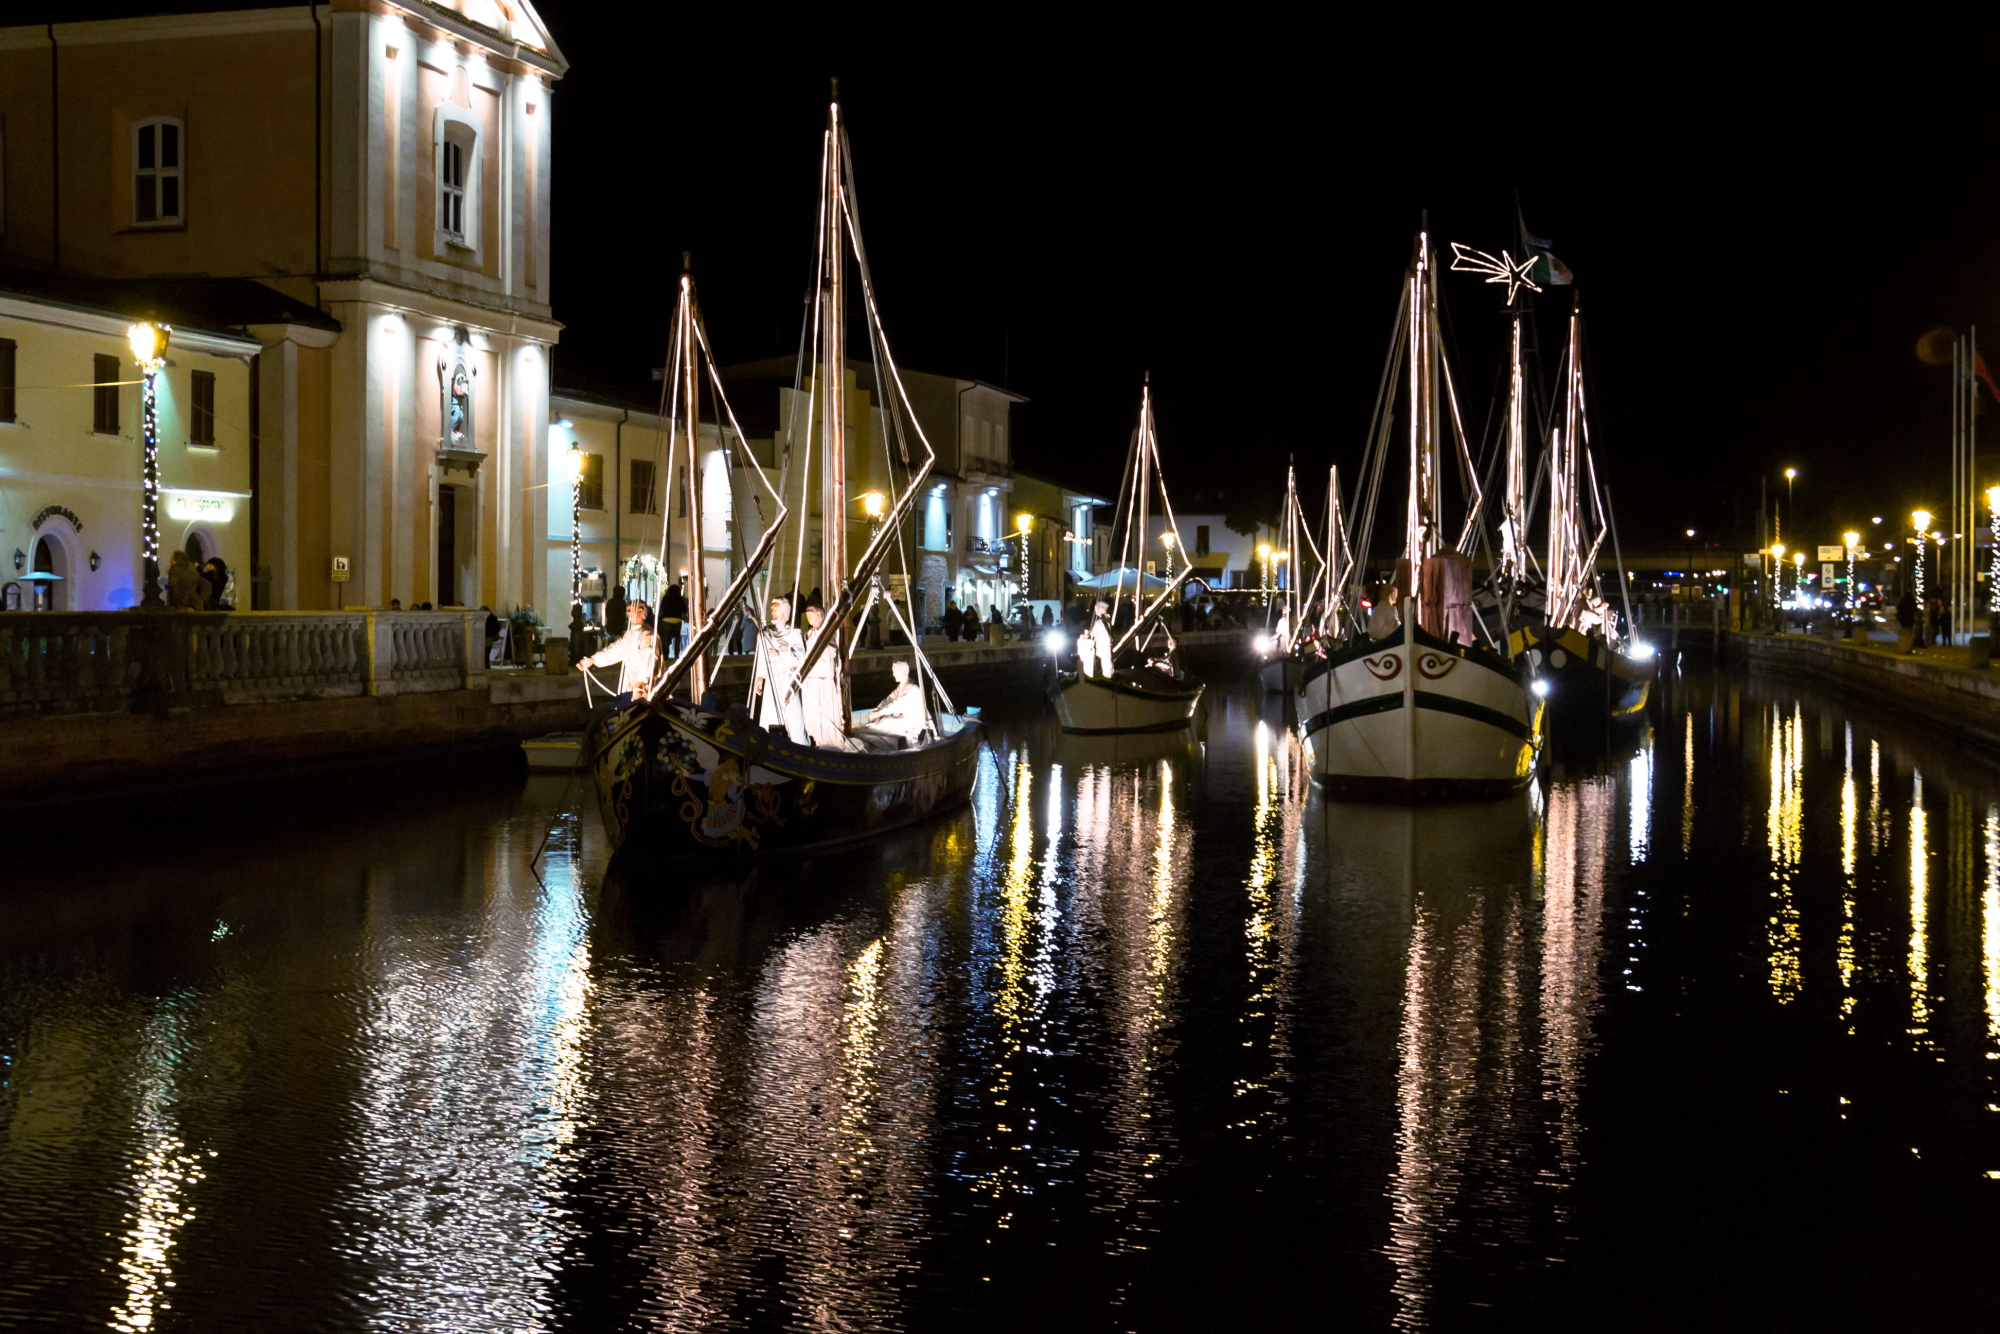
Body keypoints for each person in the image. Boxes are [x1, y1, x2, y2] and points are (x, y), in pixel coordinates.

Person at [576, 598, 660, 706]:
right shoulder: (630, 634)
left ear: (640, 611)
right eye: (627, 611)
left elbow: (649, 659)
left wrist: (640, 682)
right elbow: (616, 650)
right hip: (632, 685)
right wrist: (592, 660)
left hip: (644, 688)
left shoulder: (648, 635)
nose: (628, 614)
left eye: (630, 610)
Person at [749, 596, 808, 743]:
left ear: (785, 613)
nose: (773, 612)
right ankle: (768, 744)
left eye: (776, 609)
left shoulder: (794, 634)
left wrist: (780, 653)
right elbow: (762, 656)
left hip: (788, 680)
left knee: (793, 716)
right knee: (769, 715)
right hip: (771, 680)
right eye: (772, 610)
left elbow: (801, 658)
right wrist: (760, 676)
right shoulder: (765, 634)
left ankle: (801, 745)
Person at [797, 604, 848, 748]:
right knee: (811, 710)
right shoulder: (807, 634)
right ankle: (813, 735)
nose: (808, 618)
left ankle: (827, 737)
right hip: (810, 677)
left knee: (824, 708)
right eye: (807, 616)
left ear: (819, 616)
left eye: (811, 615)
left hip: (823, 677)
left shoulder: (828, 633)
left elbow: (832, 651)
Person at [854, 660, 930, 750]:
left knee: (887, 722)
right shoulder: (901, 687)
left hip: (916, 720)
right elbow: (889, 700)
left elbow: (897, 705)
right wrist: (877, 709)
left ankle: (868, 732)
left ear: (902, 672)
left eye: (895, 672)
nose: (893, 675)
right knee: (884, 719)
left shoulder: (913, 690)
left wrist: (879, 713)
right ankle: (869, 730)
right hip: (906, 718)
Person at [1076, 599, 1114, 678]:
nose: (1095, 611)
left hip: (1102, 645)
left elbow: (1092, 634)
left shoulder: (1100, 622)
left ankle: (1107, 677)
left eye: (1096, 608)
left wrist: (1085, 636)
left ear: (1101, 609)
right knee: (1106, 661)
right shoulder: (1106, 620)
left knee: (1105, 662)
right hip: (1104, 645)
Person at [659, 578, 688, 660]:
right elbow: (684, 609)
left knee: (666, 639)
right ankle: (676, 654)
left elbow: (662, 608)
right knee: (677, 637)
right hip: (677, 620)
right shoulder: (680, 599)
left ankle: (666, 656)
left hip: (666, 620)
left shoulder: (666, 598)